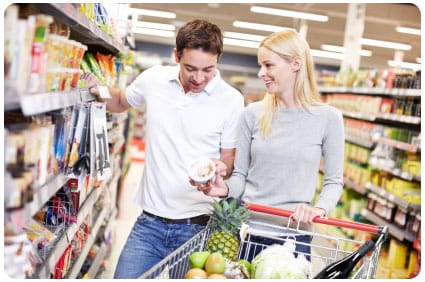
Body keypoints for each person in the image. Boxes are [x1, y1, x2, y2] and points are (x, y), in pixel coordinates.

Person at [91, 19, 244, 278]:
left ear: (218, 59)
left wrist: (220, 169)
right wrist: (87, 86)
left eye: (208, 69)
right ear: (176, 55)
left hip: (197, 228)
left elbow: (228, 159)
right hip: (149, 224)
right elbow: (119, 100)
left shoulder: (231, 101)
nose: (199, 78)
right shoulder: (154, 79)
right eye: (190, 68)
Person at [199, 29, 345, 261]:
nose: (261, 73)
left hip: (294, 238)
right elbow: (240, 176)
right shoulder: (252, 114)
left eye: (269, 65)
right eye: (260, 65)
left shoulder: (329, 118)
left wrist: (319, 209)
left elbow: (334, 182)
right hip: (249, 233)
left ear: (296, 64)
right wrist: (224, 189)